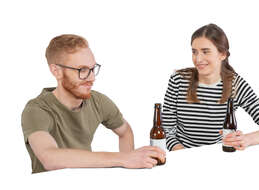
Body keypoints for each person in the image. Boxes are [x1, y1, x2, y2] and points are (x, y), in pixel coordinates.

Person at [21, 34, 165, 173]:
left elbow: (125, 131)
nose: (91, 78)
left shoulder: (98, 101)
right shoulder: (36, 109)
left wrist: (129, 165)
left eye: (92, 69)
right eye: (82, 70)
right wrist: (123, 158)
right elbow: (50, 158)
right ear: (56, 71)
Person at [162, 24, 259, 151]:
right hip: (182, 154)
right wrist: (187, 156)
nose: (198, 59)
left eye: (205, 51)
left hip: (219, 156)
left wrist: (247, 139)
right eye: (194, 52)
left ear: (223, 54)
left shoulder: (236, 85)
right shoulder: (178, 80)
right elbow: (167, 130)